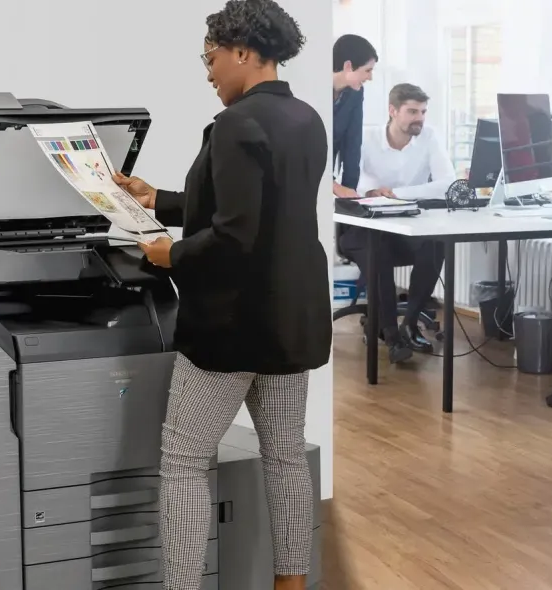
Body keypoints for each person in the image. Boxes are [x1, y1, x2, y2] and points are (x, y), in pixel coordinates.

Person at [112, 1, 329, 588]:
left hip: (230, 328)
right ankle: (292, 581)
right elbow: (258, 209)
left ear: (241, 51)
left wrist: (168, 254)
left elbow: (235, 234)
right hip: (290, 323)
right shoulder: (307, 118)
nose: (207, 71)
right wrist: (156, 197)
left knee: (184, 463)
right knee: (285, 458)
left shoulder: (235, 124)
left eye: (210, 58)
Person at [337, 83, 453, 362]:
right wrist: (371, 192)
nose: (420, 118)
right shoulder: (365, 138)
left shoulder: (429, 138)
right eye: (412, 111)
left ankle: (409, 324)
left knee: (436, 245)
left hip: (405, 228)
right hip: (362, 230)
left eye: (423, 112)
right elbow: (346, 180)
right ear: (392, 110)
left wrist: (396, 194)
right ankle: (391, 334)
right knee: (379, 250)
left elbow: (446, 184)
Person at [332, 34, 377, 199]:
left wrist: (350, 193)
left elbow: (353, 142)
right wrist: (334, 187)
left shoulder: (355, 93)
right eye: (367, 70)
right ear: (348, 66)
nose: (370, 77)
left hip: (328, 181)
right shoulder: (316, 89)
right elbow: (305, 150)